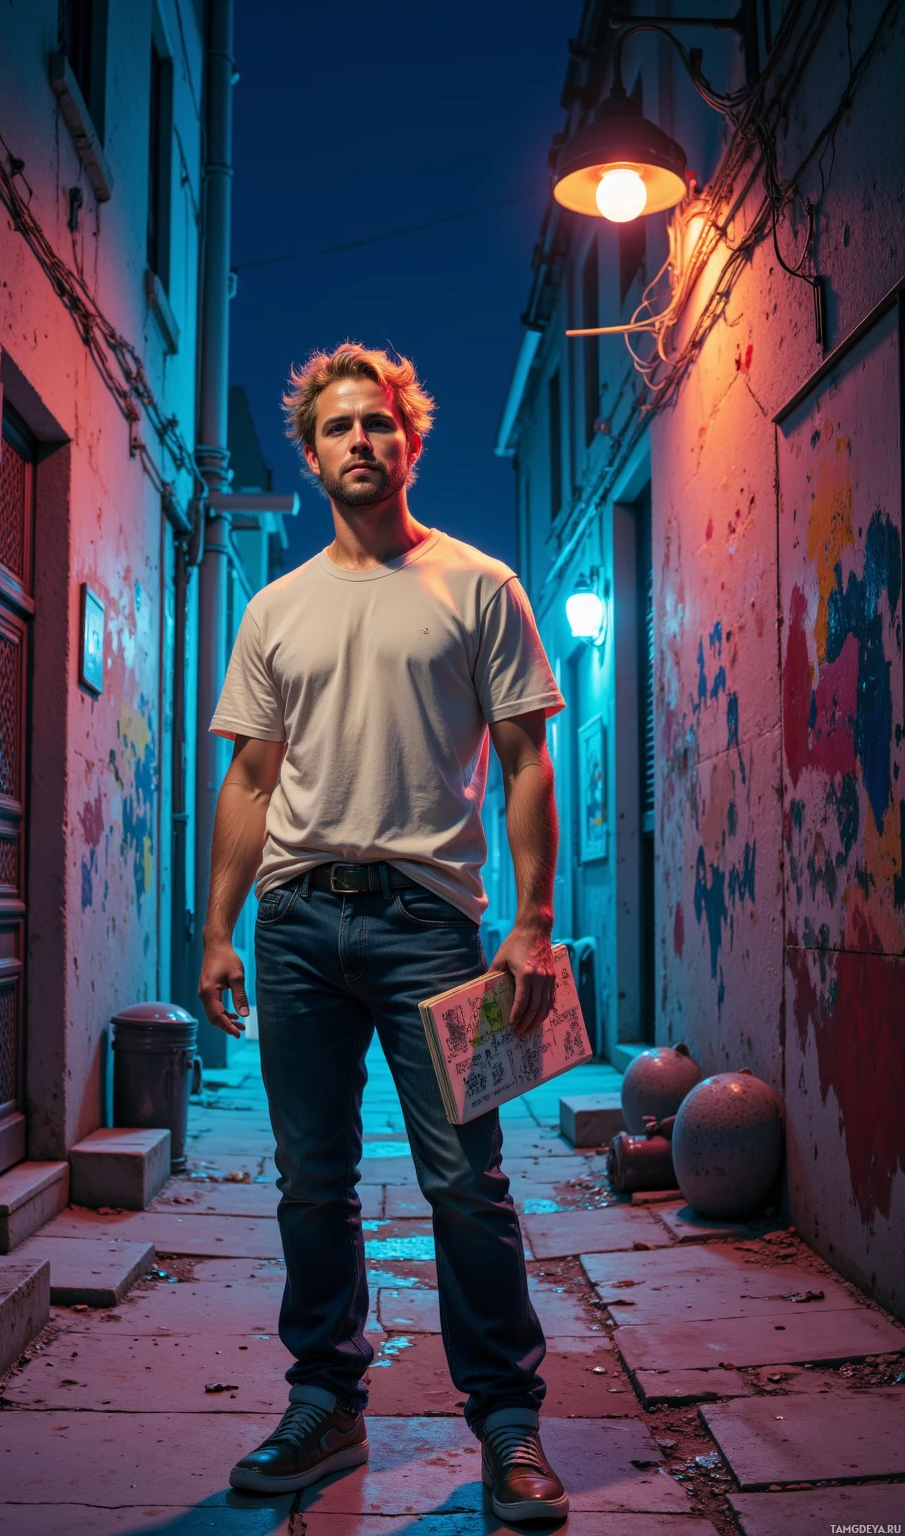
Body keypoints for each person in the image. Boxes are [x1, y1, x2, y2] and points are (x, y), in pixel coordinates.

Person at [199, 343, 569, 1525]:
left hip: (431, 924)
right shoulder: (274, 606)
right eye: (338, 428)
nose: (361, 441)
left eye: (379, 424)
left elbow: (523, 764)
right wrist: (217, 931)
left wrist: (532, 925)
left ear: (411, 440)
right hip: (298, 921)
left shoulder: (479, 586)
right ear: (309, 457)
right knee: (314, 1180)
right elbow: (251, 781)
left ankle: (507, 1423)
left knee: (465, 1181)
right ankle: (326, 1401)